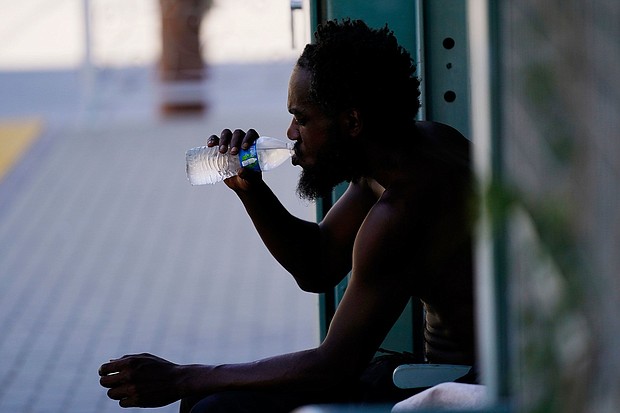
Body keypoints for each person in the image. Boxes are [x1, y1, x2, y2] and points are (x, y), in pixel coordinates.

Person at [99, 19, 477, 412]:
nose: (291, 133)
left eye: (303, 117)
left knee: (213, 408)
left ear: (351, 121)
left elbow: (333, 365)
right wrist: (252, 189)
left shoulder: (405, 208)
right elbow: (317, 264)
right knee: (204, 398)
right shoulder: (417, 145)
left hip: (460, 387)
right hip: (436, 376)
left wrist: (182, 376)